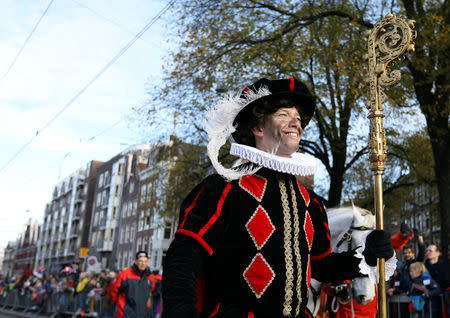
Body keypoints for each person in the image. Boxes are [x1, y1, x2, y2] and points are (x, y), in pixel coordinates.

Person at [162, 77, 395, 318]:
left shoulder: (310, 202)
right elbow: (184, 257)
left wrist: (366, 257)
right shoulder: (224, 187)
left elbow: (321, 265)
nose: (296, 121)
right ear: (257, 127)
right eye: (283, 114)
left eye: (298, 117)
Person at [109, 251, 153, 318]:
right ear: (136, 261)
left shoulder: (150, 277)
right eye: (140, 261)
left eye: (145, 261)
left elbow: (150, 291)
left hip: (142, 313)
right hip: (125, 313)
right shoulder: (125, 274)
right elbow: (113, 290)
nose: (143, 263)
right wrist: (119, 304)